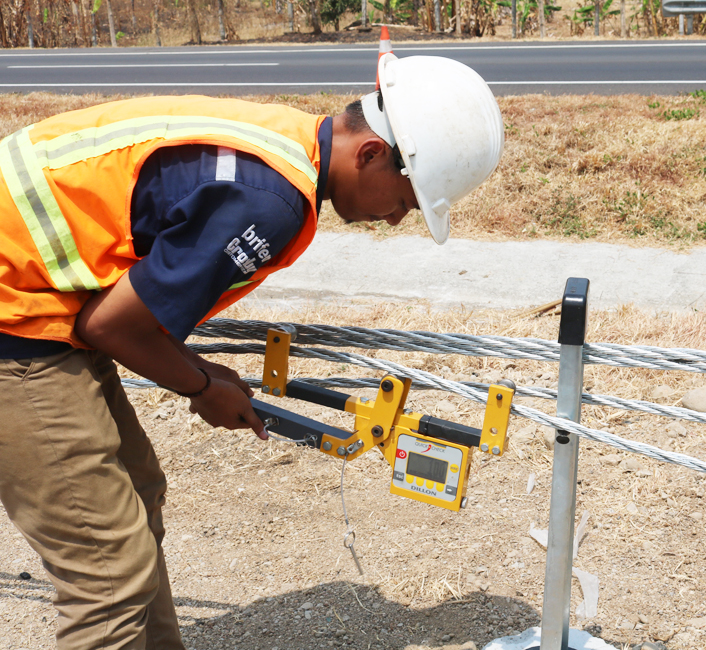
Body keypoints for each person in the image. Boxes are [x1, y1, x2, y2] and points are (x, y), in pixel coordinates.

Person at [0, 52, 504, 650]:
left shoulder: (285, 144)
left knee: (139, 493)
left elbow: (118, 313)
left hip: (39, 296)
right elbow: (110, 326)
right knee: (109, 571)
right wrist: (200, 389)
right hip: (17, 318)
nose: (395, 218)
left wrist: (199, 368)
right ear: (371, 153)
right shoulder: (270, 203)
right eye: (406, 199)